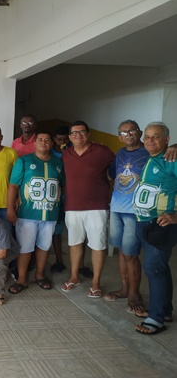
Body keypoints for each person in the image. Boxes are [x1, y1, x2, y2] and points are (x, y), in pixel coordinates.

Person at [61, 121, 114, 298]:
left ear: (88, 134)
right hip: (72, 207)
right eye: (74, 133)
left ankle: (95, 282)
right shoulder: (66, 154)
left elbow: (117, 172)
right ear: (70, 137)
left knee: (98, 244)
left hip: (97, 207)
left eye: (82, 132)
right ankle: (74, 276)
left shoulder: (103, 152)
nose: (78, 135)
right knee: (74, 242)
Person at [133, 122, 177, 335]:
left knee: (154, 268)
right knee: (160, 268)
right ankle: (165, 310)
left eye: (156, 136)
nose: (150, 140)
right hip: (144, 222)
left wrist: (176, 216)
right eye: (147, 137)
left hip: (160, 224)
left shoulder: (172, 160)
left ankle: (156, 318)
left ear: (167, 139)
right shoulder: (152, 158)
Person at [7, 132, 64, 294]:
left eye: (47, 140)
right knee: (25, 247)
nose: (43, 143)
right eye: (40, 140)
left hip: (50, 214)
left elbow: (61, 186)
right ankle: (21, 279)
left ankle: (39, 275)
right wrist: (10, 208)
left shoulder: (58, 163)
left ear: (51, 143)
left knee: (44, 246)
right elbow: (13, 185)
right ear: (34, 144)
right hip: (28, 213)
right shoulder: (24, 161)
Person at [103, 120, 147, 312]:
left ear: (140, 132)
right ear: (119, 136)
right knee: (121, 250)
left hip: (135, 212)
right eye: (123, 132)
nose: (127, 134)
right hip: (117, 208)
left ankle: (134, 294)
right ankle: (124, 289)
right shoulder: (120, 153)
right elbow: (111, 175)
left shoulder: (149, 153)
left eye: (131, 131)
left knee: (131, 253)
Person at [49, 126, 69, 273]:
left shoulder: (71, 152)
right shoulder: (49, 153)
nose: (61, 142)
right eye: (59, 139)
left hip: (68, 196)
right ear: (54, 139)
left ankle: (63, 260)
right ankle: (58, 260)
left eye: (64, 139)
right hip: (52, 197)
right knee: (53, 230)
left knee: (61, 229)